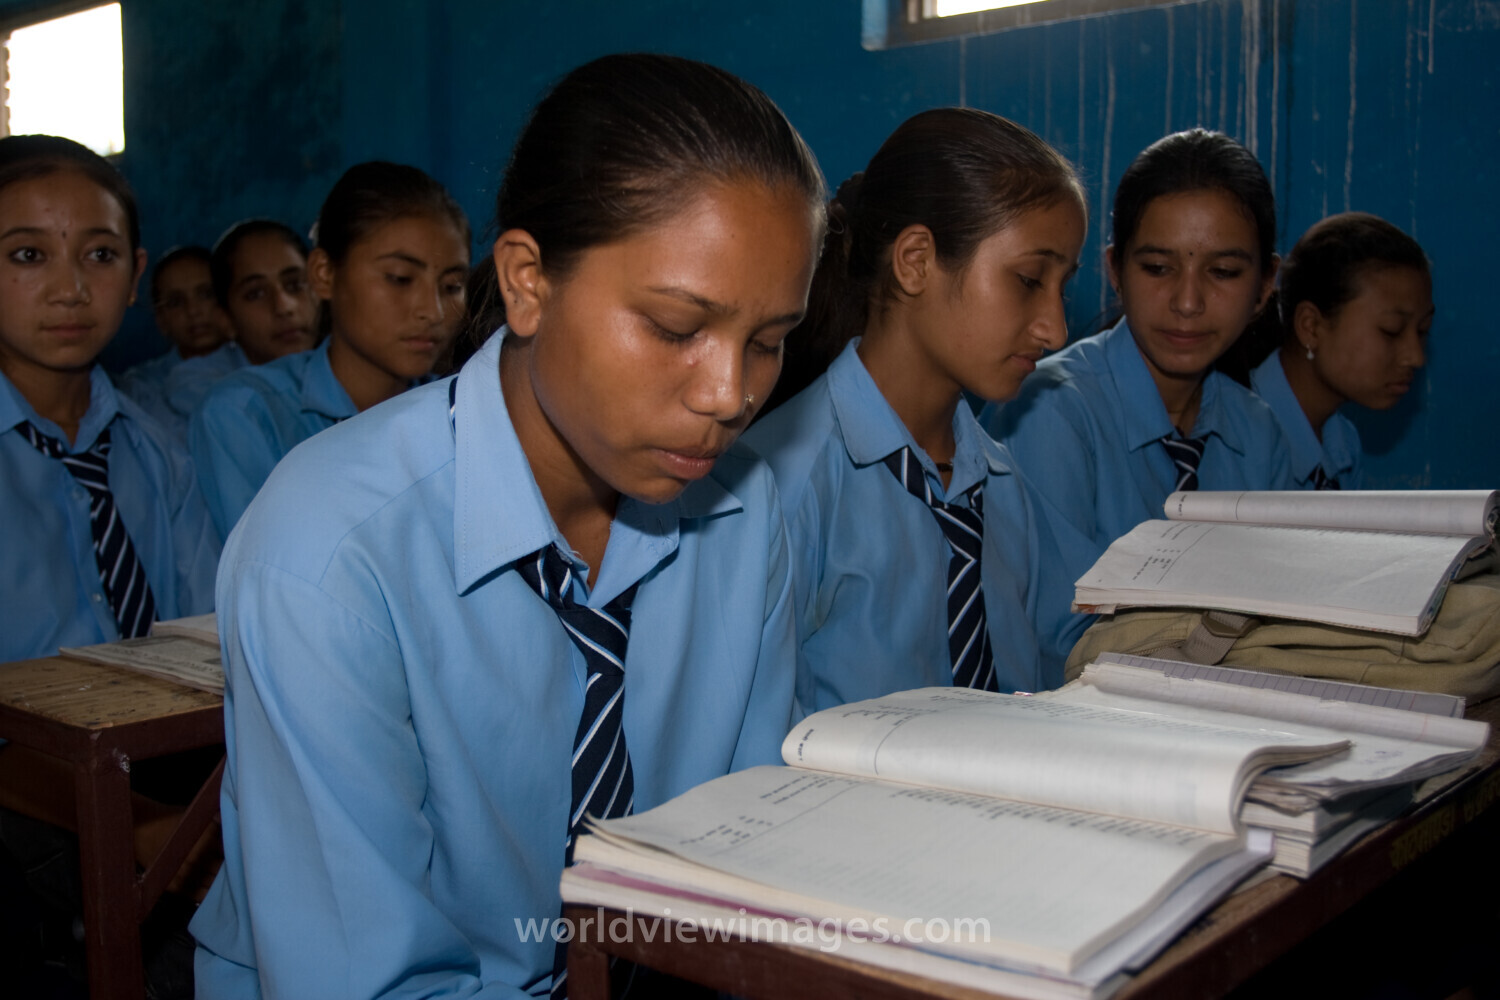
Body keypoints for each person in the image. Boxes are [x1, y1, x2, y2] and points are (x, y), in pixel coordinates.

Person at [190, 53, 824, 998]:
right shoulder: (330, 553)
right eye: (674, 327)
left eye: (769, 343)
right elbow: (361, 980)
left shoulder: (741, 506)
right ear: (527, 282)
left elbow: (742, 856)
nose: (730, 395)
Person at [745, 108, 1089, 704]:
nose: (1057, 330)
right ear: (916, 262)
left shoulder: (1001, 484)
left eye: (1064, 288)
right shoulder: (785, 487)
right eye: (1030, 280)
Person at [981, 128, 1294, 661]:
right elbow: (1065, 642)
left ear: (1265, 284)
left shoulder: (1258, 432)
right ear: (1115, 272)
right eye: (1157, 268)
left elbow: (1290, 611)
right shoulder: (1049, 411)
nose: (1188, 301)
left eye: (1222, 271)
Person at [0, 134, 218, 662]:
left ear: (133, 276)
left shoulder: (160, 459)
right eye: (29, 255)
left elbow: (210, 646)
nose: (70, 288)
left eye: (101, 254)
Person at [189, 162, 470, 539]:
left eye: (452, 285)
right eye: (400, 279)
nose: (432, 312)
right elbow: (281, 573)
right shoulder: (248, 414)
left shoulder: (464, 412)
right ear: (323, 274)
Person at [1247, 212, 1432, 489]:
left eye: (1422, 330)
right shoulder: (1237, 437)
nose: (1416, 357)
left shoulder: (1342, 442)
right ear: (1311, 327)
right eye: (1391, 330)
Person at [159, 220, 318, 432]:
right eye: (256, 294)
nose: (283, 307)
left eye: (294, 285)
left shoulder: (348, 366)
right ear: (225, 319)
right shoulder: (201, 386)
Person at [114, 245, 232, 420]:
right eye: (176, 302)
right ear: (161, 320)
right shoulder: (141, 388)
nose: (193, 311)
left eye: (206, 294)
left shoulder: (259, 362)